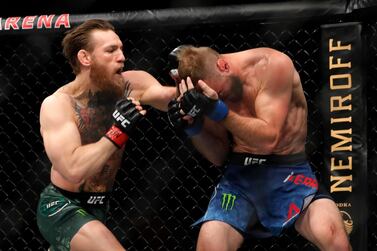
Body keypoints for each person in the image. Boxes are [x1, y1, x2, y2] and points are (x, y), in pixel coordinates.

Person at [167, 45, 352, 251]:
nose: (221, 100)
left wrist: (218, 109)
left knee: (333, 236)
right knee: (210, 243)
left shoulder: (272, 66)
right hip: (241, 178)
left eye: (221, 94)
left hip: (290, 172)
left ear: (224, 65)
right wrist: (194, 128)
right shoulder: (208, 90)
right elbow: (218, 156)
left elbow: (269, 138)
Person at [36, 19, 176, 251]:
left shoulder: (129, 85)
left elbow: (164, 97)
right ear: (85, 58)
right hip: (61, 206)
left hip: (101, 205)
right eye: (111, 50)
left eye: (121, 48)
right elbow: (72, 169)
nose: (121, 56)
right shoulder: (58, 104)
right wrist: (117, 131)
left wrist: (191, 91)